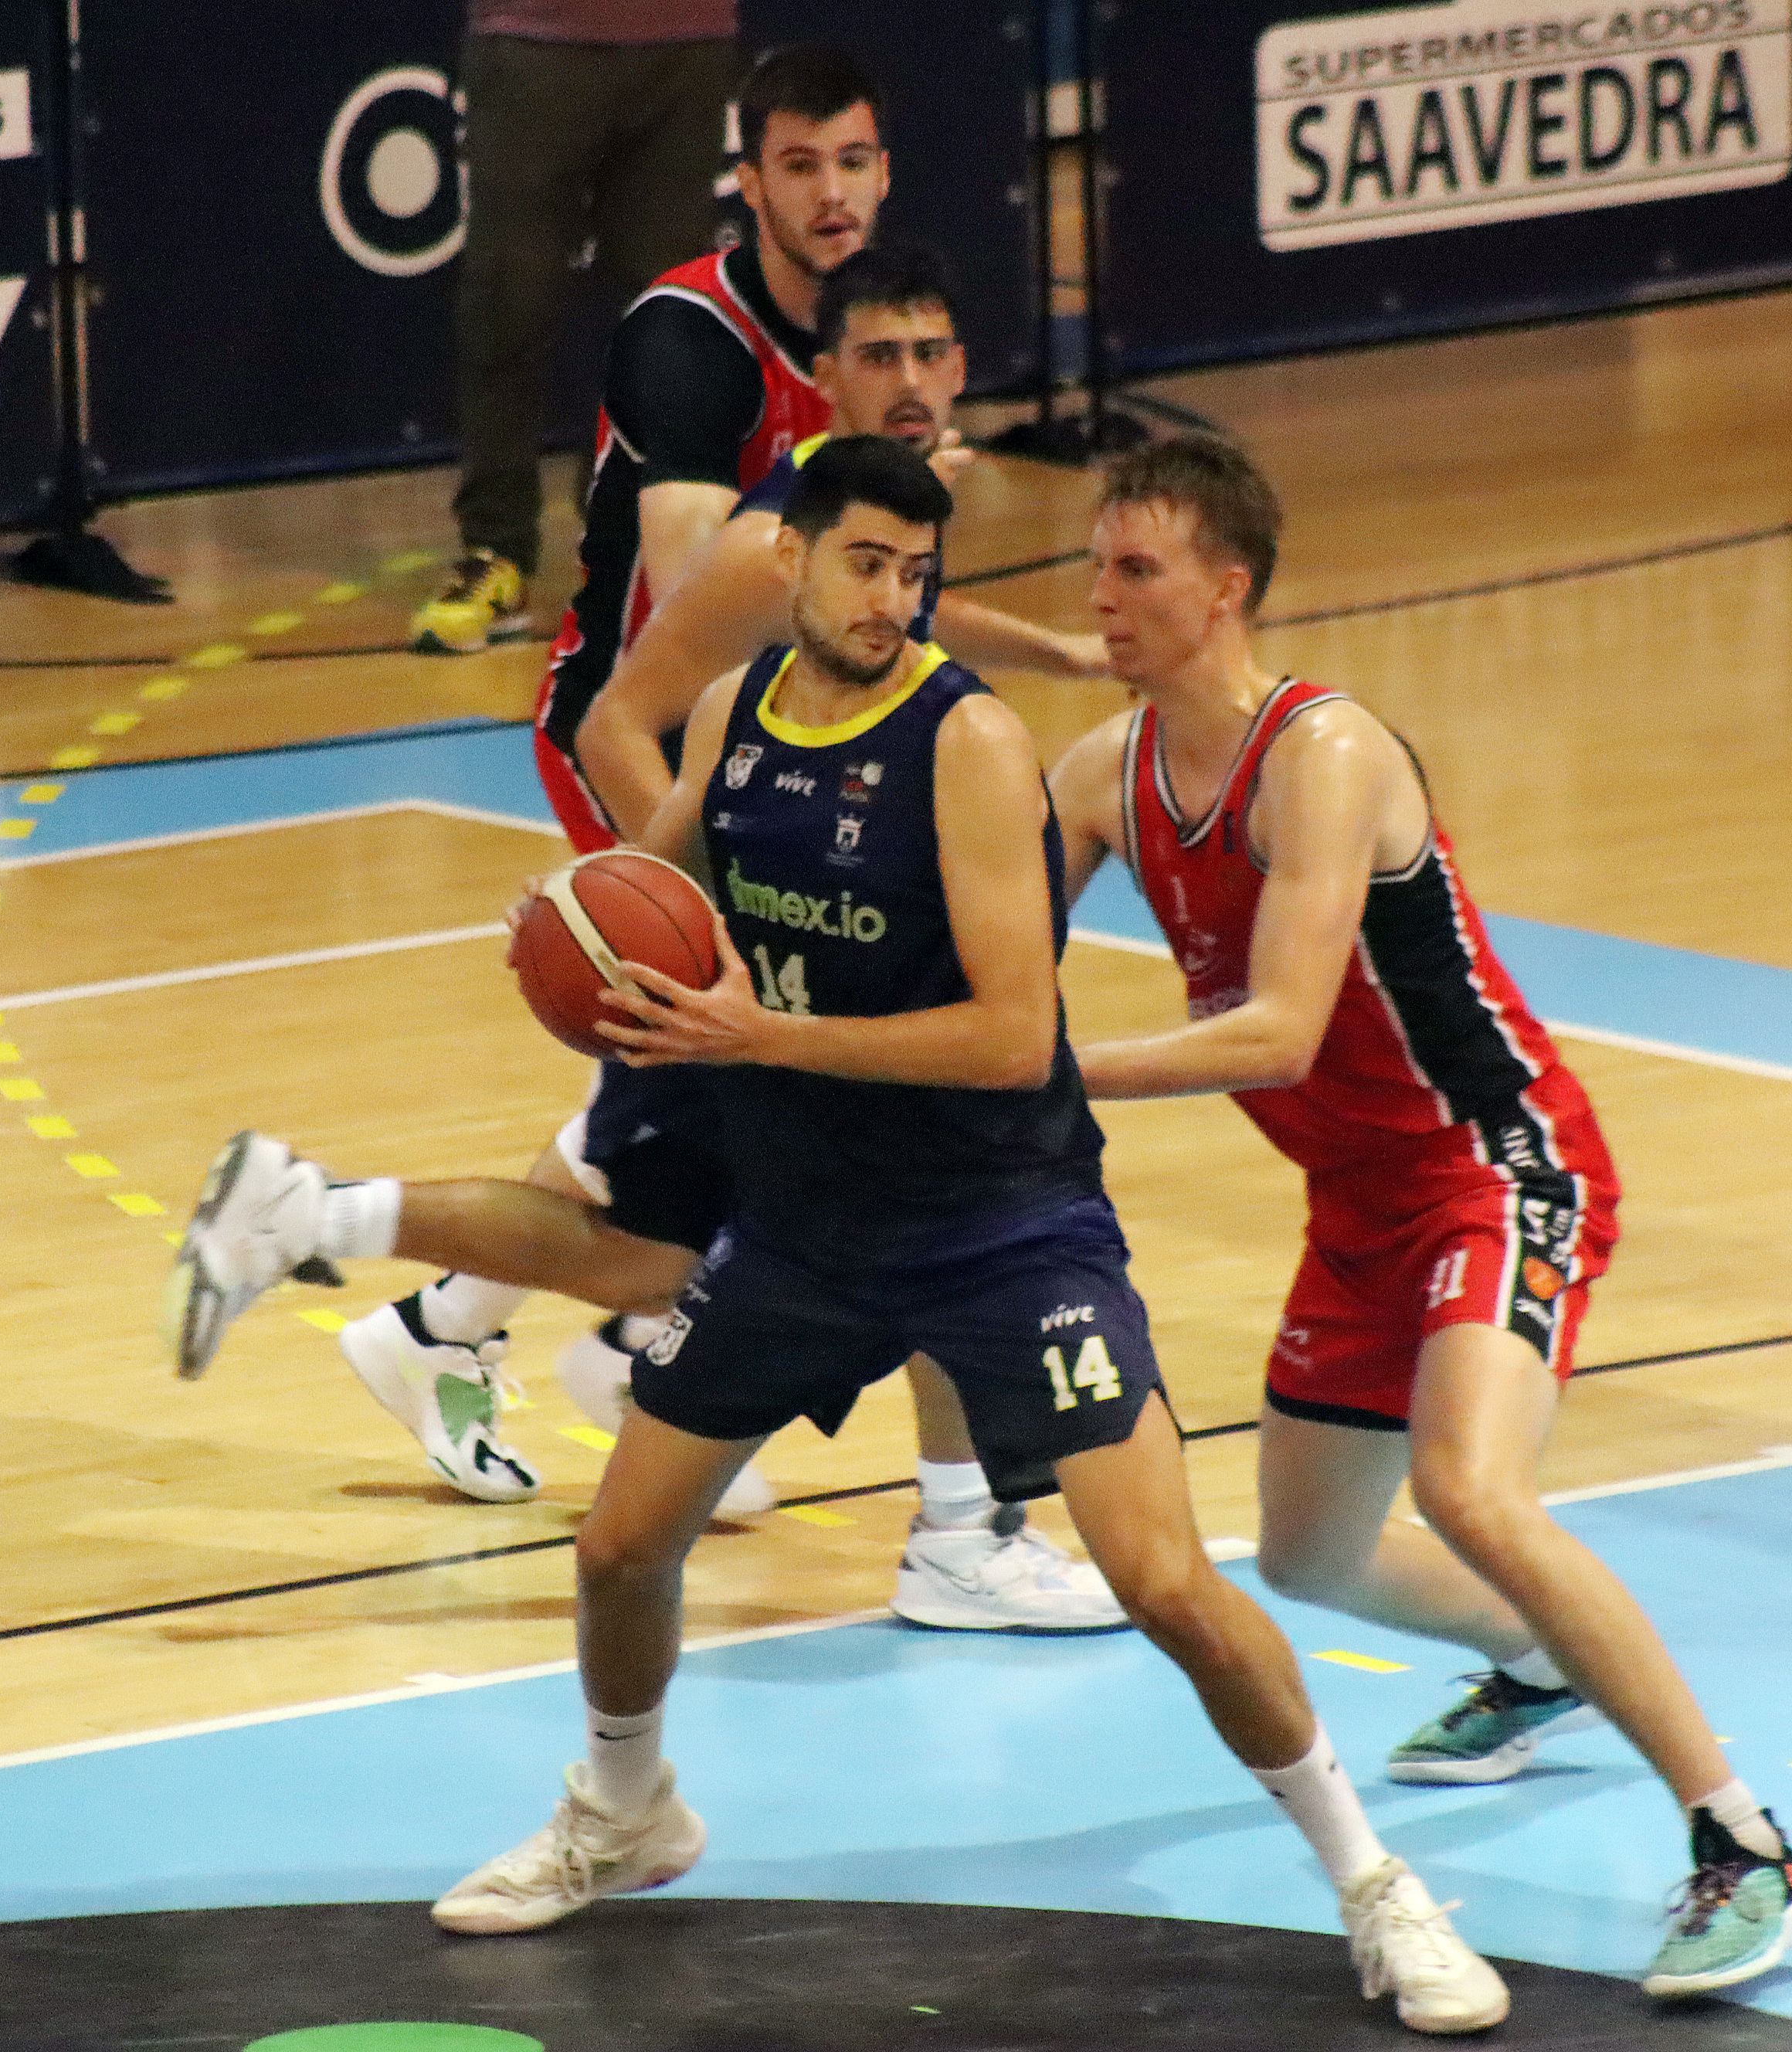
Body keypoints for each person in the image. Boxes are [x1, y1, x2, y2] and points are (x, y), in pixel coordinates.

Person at [184, 439, 1513, 2032]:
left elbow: (1018, 1034)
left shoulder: (970, 744)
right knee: (618, 1546)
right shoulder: (743, 715)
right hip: (809, 1226)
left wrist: (758, 1039)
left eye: (915, 570)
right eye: (868, 560)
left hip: (1002, 1220)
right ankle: (625, 1810)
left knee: (1160, 1571)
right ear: (795, 560)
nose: (894, 595)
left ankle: (1378, 1886)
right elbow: (657, 865)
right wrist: (571, 919)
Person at [186, 236, 1126, 1629]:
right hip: (745, 944)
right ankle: (925, 1515)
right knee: (858, 1203)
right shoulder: (766, 561)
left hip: (782, 948)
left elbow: (888, 632)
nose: (916, 379)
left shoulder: (877, 557)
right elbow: (621, 715)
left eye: (935, 354)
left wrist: (1042, 653)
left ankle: (391, 1277)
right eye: (883, 355)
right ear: (823, 374)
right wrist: (666, 907)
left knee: (643, 1226)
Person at [1043, 436, 1792, 1999]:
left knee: (1475, 1487)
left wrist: (1044, 1077)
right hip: (1356, 1196)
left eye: (1136, 569)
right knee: (1311, 1552)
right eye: (1097, 565)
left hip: (1498, 1158)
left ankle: (1749, 1841)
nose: (1102, 596)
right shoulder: (1097, 775)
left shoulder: (1321, 753)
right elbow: (984, 956)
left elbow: (1275, 1027)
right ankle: (1542, 1664)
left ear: (1228, 588)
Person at [411, 1, 742, 656]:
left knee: (669, 315)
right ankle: (496, 552)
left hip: (688, 37)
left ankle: (630, 547)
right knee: (509, 306)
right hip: (534, 39)